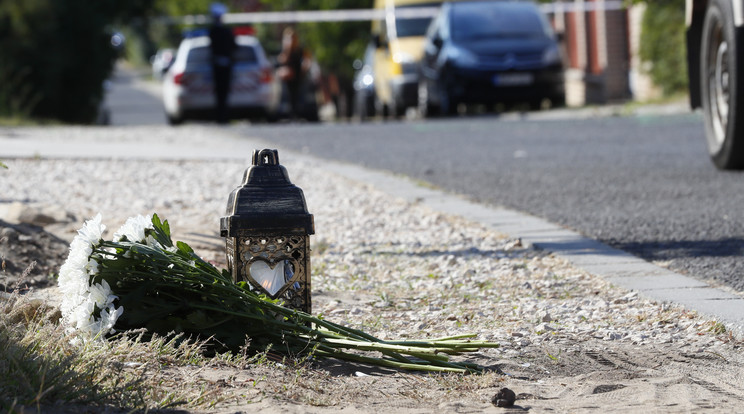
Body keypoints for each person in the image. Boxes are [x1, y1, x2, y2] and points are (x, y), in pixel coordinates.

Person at [208, 3, 236, 124]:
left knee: (219, 92)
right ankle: (223, 116)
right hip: (225, 64)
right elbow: (234, 46)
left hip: (217, 65)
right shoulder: (226, 31)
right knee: (224, 92)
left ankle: (220, 116)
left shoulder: (212, 31)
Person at [276, 27, 311, 119]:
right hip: (288, 77)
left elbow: (307, 59)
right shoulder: (285, 50)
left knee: (299, 95)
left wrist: (305, 66)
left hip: (298, 76)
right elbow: (281, 61)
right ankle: (290, 114)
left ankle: (298, 114)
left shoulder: (299, 49)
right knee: (288, 96)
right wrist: (287, 49)